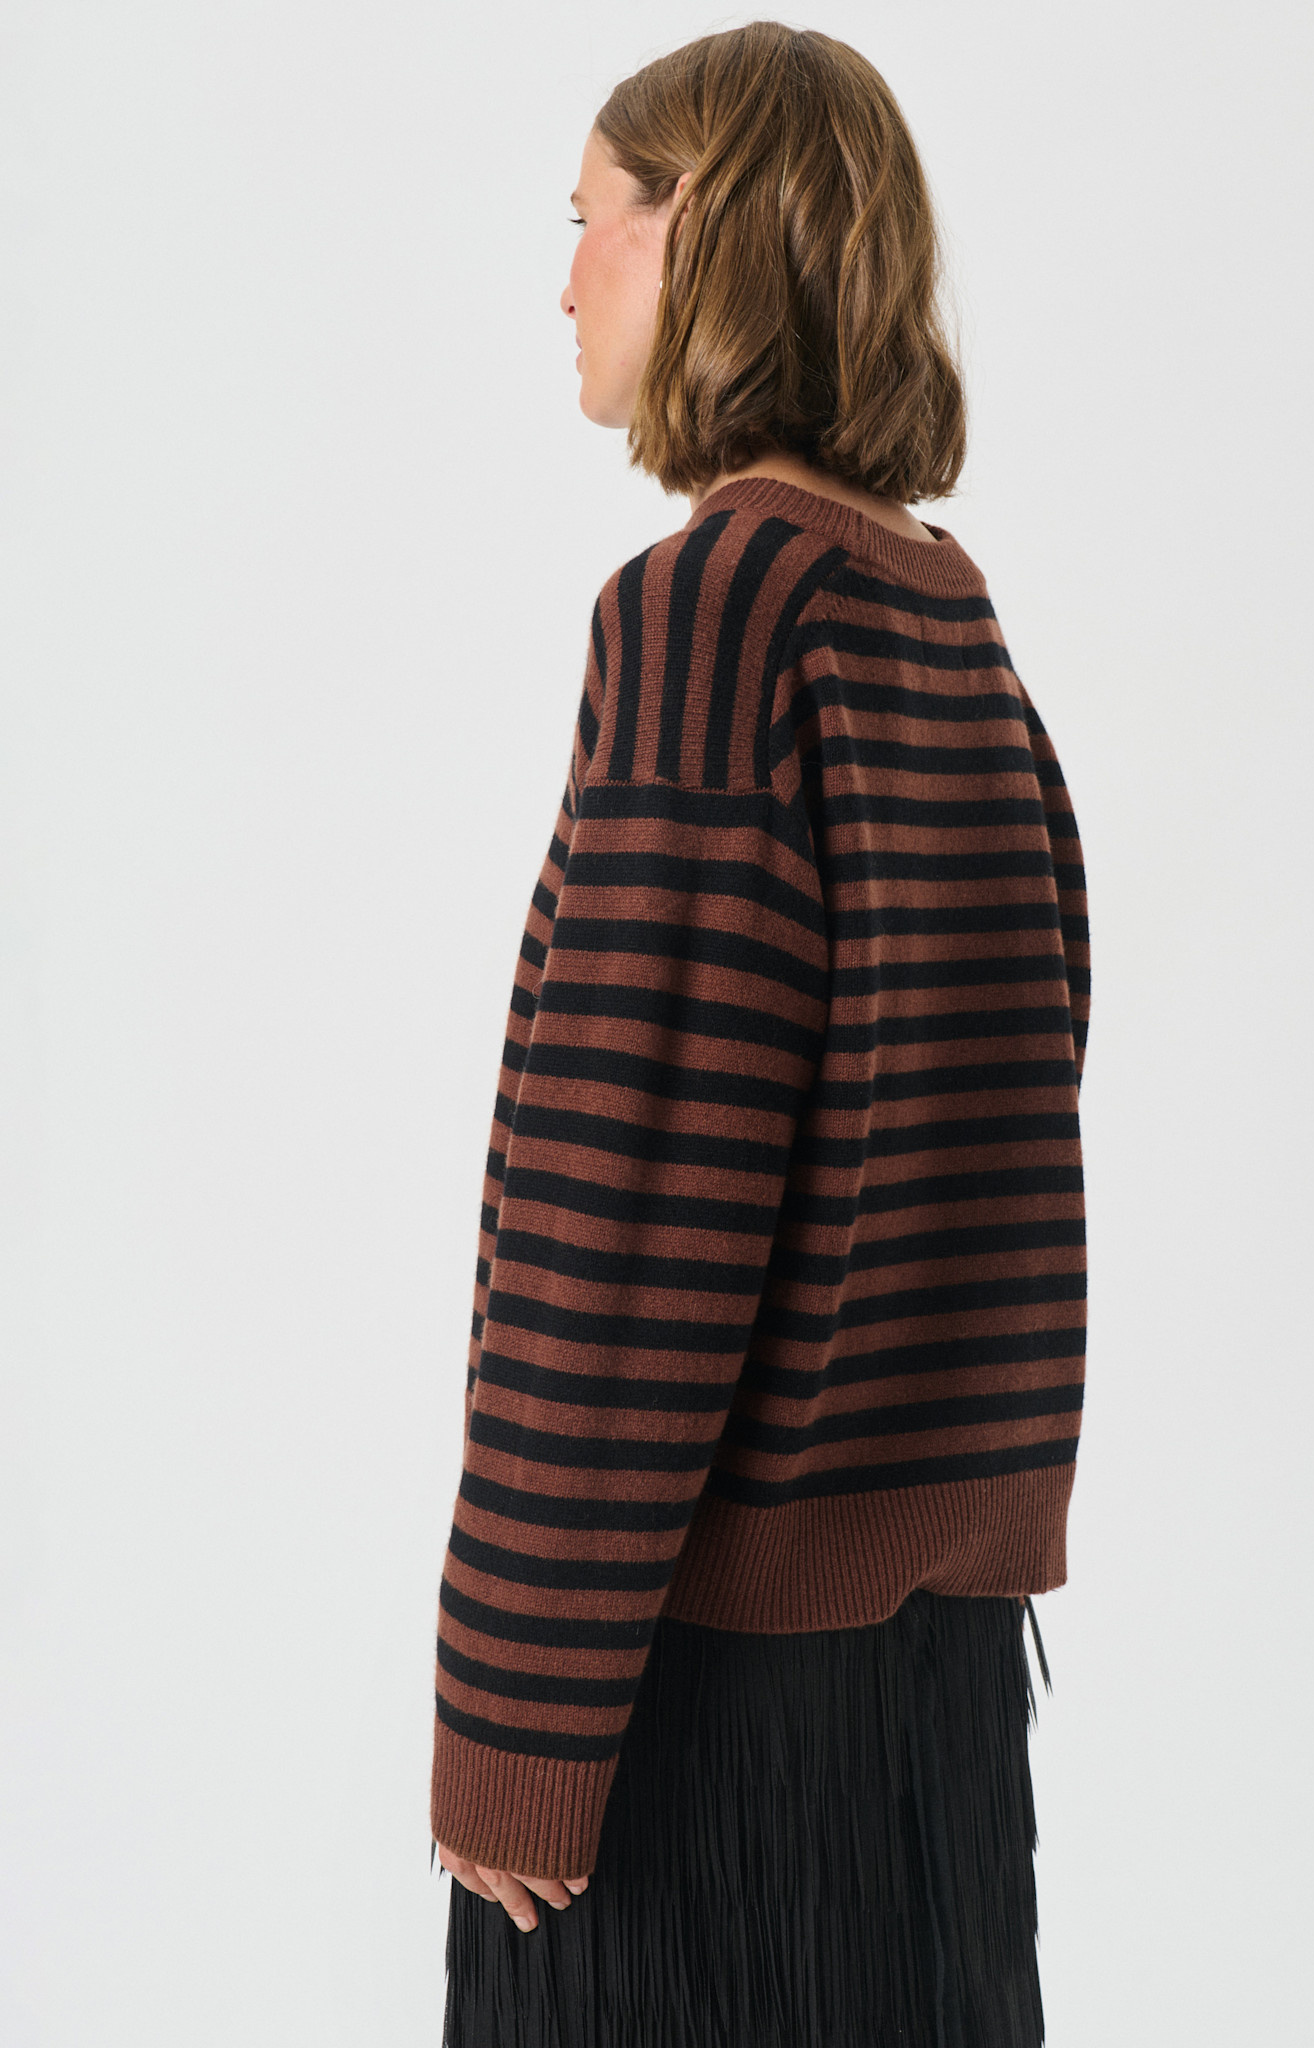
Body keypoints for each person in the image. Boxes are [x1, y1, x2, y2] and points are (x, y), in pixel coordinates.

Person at [428, 22, 1089, 2047]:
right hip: (935, 1710)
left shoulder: (710, 616)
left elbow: (629, 1207)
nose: (564, 281)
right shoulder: (944, 617)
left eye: (591, 220)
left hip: (701, 1725)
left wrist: (515, 1710)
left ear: (704, 230)